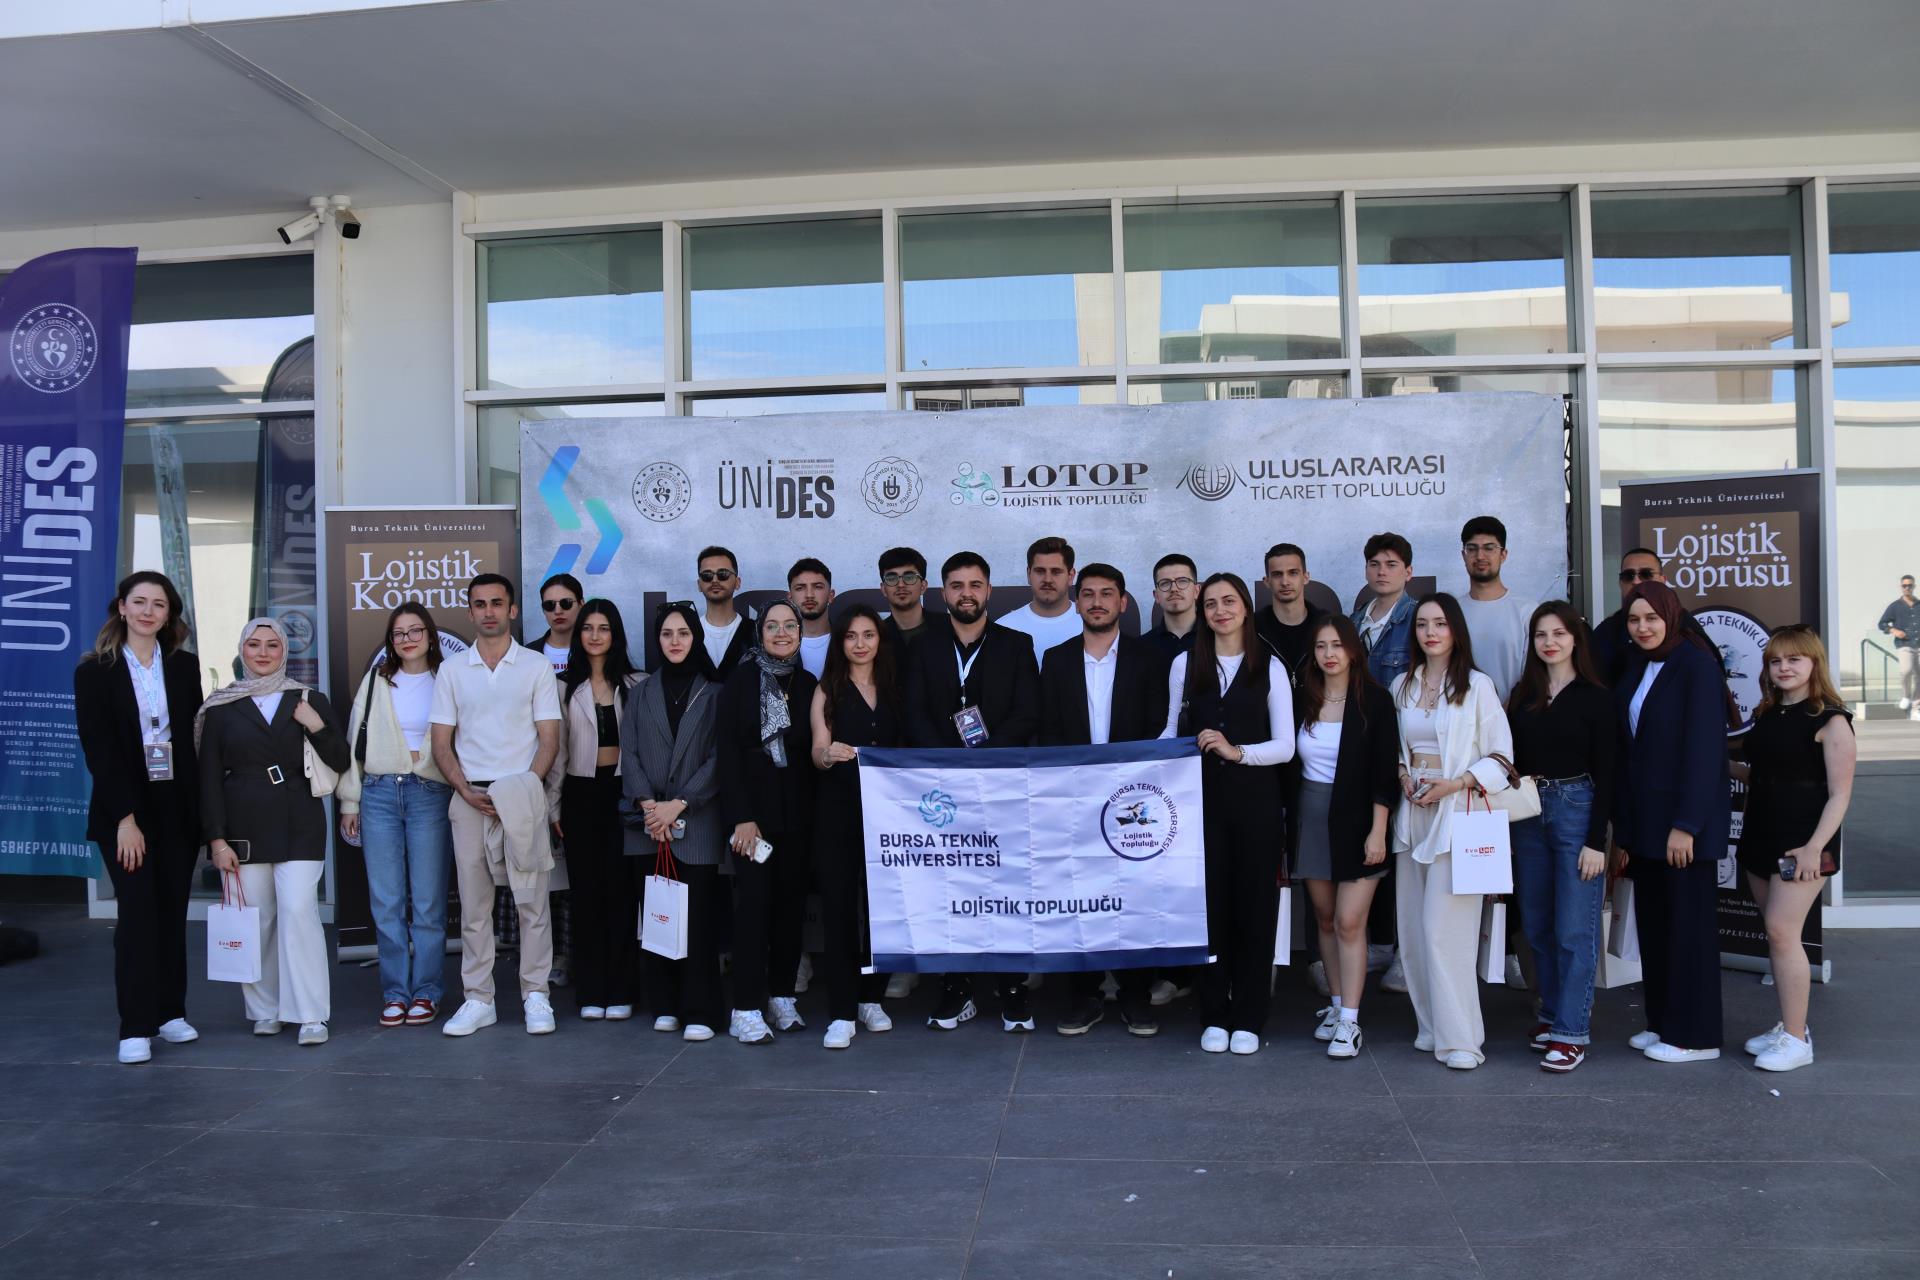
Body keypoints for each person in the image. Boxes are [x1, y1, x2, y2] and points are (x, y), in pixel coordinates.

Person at [905, 550, 1041, 1031]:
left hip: (1001, 787)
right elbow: (914, 714)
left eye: (975, 585)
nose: (966, 594)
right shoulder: (922, 648)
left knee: (1006, 885)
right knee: (951, 886)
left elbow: (1028, 712)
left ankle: (1012, 987)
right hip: (943, 790)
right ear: (943, 593)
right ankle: (956, 986)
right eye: (957, 585)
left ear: (989, 591)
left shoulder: (1016, 645)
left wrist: (985, 761)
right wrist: (949, 765)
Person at [1160, 573, 1296, 1055]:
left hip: (1256, 805)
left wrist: (1238, 752)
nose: (1220, 611)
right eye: (1212, 603)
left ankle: (1250, 1016)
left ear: (1245, 608)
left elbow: (1286, 745)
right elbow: (1169, 731)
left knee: (1255, 910)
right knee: (1210, 909)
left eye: (1230, 601)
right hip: (1201, 806)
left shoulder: (1269, 665)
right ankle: (1214, 1013)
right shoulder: (1185, 663)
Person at [197, 617, 350, 1046]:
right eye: (254, 644)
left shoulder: (308, 698)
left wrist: (316, 725)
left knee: (299, 913)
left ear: (285, 651)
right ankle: (265, 1010)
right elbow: (208, 779)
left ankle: (311, 1015)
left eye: (272, 645)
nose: (263, 653)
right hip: (243, 825)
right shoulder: (221, 707)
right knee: (258, 919)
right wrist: (216, 839)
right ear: (241, 651)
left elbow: (340, 760)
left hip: (300, 819)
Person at [74, 572, 206, 1065]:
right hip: (124, 809)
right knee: (137, 915)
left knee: (171, 911)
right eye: (140, 602)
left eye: (159, 604)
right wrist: (125, 820)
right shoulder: (95, 671)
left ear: (169, 614)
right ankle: (135, 1026)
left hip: (176, 805)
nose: (149, 611)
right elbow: (99, 750)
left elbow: (191, 741)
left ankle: (171, 1013)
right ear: (122, 608)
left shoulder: (183, 666)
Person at [429, 573, 563, 1038]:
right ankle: (478, 999)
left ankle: (536, 994)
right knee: (474, 907)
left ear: (512, 610)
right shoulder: (452, 670)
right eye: (480, 604)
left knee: (532, 903)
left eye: (497, 603)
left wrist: (524, 788)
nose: (489, 611)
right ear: (470, 611)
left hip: (521, 795)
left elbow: (550, 739)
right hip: (470, 797)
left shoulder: (535, 666)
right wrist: (465, 790)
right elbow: (441, 743)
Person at [1039, 563, 1170, 1037]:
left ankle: (1135, 995)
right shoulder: (1055, 659)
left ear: (1123, 602)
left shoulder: (1148, 659)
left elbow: (1158, 725)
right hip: (1073, 798)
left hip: (1132, 799)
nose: (1097, 602)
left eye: (1107, 594)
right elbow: (1047, 729)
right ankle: (1085, 995)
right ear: (1076, 603)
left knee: (1135, 895)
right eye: (1089, 594)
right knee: (1079, 894)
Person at [1391, 592, 1513, 1070]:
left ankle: (1462, 1039)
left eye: (1440, 623)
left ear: (1456, 630)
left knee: (1446, 932)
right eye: (1422, 624)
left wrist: (1457, 783)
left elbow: (1502, 758)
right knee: (1413, 932)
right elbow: (1398, 749)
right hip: (1414, 812)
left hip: (1458, 815)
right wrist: (1404, 775)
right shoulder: (1402, 684)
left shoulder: (1477, 685)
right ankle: (1431, 1027)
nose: (1430, 632)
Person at [1611, 580, 1731, 1064]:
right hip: (1647, 824)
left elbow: (1705, 752)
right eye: (1634, 619)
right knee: (1657, 929)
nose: (1643, 628)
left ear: (1671, 617)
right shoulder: (1638, 663)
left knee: (1688, 934)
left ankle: (1695, 1037)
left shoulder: (1696, 665)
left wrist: (1687, 825)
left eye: (1651, 618)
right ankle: (1662, 1022)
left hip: (1682, 827)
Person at [1734, 624, 1856, 1072]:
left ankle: (1797, 1038)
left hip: (1802, 844)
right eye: (1776, 661)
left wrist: (1812, 848)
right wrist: (1714, 763)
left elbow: (1840, 795)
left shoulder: (1832, 720)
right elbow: (1763, 775)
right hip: (1760, 834)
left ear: (1813, 663)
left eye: (1794, 659)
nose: (1784, 668)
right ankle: (1789, 1025)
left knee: (1783, 932)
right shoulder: (1769, 713)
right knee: (1776, 936)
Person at [1506, 601, 1615, 1072]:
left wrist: (1596, 841)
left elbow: (1609, 774)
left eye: (1558, 634)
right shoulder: (1524, 695)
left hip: (1577, 809)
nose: (1549, 642)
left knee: (1574, 928)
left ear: (1575, 639)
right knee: (1537, 924)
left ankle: (1571, 1031)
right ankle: (1552, 1015)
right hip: (1528, 811)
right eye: (1540, 635)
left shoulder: (1597, 697)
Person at [338, 602, 453, 1028]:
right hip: (378, 794)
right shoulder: (376, 681)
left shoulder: (447, 679)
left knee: (428, 902)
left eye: (415, 630)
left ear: (430, 635)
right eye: (399, 633)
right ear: (390, 640)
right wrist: (350, 801)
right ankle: (395, 993)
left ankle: (426, 991)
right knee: (386, 902)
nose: (407, 639)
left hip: (430, 794)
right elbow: (353, 744)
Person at [1291, 614, 1396, 1060]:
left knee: (1351, 922)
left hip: (1359, 819)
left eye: (1337, 645)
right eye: (1320, 646)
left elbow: (1384, 773)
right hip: (1312, 816)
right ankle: (1336, 1006)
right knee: (1325, 919)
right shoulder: (1303, 698)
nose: (1329, 654)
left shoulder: (1375, 700)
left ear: (1353, 650)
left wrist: (1378, 831)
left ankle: (1351, 1021)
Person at [622, 602, 725, 1042]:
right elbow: (629, 753)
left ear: (695, 637)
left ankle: (700, 1010)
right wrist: (650, 806)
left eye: (683, 633)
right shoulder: (641, 692)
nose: (675, 641)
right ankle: (664, 1005)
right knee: (657, 917)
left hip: (696, 823)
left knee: (698, 921)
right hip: (650, 826)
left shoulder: (715, 693)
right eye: (667, 634)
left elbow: (719, 759)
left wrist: (679, 804)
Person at [719, 602, 819, 1044]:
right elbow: (727, 753)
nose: (782, 633)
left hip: (796, 816)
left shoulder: (809, 683)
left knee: (789, 910)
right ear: (760, 632)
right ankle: (745, 1007)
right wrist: (742, 817)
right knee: (754, 910)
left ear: (800, 632)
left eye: (790, 625)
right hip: (753, 821)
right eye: (772, 626)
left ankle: (781, 996)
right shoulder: (740, 681)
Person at [545, 600, 643, 1022]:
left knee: (622, 893)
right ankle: (590, 990)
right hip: (580, 796)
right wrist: (553, 807)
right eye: (588, 628)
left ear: (615, 633)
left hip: (624, 794)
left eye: (604, 628)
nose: (595, 635)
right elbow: (556, 755)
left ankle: (621, 989)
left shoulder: (637, 683)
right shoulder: (562, 687)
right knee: (585, 895)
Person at [810, 605, 903, 1049]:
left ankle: (871, 998)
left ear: (880, 640)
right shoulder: (827, 689)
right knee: (841, 912)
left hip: (888, 816)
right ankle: (842, 1011)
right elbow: (817, 751)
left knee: (883, 911)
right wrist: (828, 755)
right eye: (851, 636)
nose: (860, 643)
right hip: (838, 814)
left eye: (868, 635)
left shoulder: (895, 688)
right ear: (840, 642)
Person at [1590, 548, 1710, 684]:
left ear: (1663, 580)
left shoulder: (1685, 628)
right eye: (1628, 576)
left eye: (1646, 574)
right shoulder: (1608, 630)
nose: (1636, 581)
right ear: (1620, 583)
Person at [1455, 517, 1533, 703]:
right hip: (1459, 716)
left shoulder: (1527, 612)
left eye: (1489, 548)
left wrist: (1505, 712)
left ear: (1503, 555)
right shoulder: (1451, 612)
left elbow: (1535, 676)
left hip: (1513, 715)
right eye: (1472, 548)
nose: (1480, 556)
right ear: (1463, 555)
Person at [1352, 533, 1417, 690]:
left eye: (1391, 565)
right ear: (1366, 570)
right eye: (1374, 564)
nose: (1381, 572)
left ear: (1408, 572)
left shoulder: (1419, 618)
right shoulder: (1354, 620)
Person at [997, 536, 1083, 656]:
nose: (1047, 579)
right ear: (1028, 574)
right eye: (1040, 571)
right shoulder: (1003, 628)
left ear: (1071, 576)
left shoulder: (1089, 625)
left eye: (1056, 572)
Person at [1255, 543, 1325, 682]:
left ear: (1306, 577)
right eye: (1277, 574)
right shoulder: (1252, 628)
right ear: (1267, 581)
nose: (1285, 582)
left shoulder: (1327, 624)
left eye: (1293, 573)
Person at [695, 546, 754, 679]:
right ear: (699, 584)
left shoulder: (756, 632)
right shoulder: (687, 634)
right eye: (707, 575)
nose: (714, 580)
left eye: (723, 574)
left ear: (737, 582)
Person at [1143, 553, 1201, 666]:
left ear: (1196, 591)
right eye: (1165, 583)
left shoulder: (1216, 639)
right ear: (1156, 596)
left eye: (1182, 581)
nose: (1174, 589)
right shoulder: (1141, 647)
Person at [1876, 574, 1920, 716]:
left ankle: (1916, 706)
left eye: (1910, 585)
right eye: (1904, 585)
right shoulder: (1895, 606)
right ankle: (1906, 696)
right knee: (1906, 671)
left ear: (1914, 586)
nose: (1907, 588)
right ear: (1901, 587)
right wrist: (1893, 630)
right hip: (1904, 644)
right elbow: (1882, 624)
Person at [788, 557, 836, 679]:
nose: (809, 595)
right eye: (800, 588)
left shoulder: (847, 640)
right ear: (790, 598)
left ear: (831, 595)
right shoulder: (776, 643)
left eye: (818, 587)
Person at [527, 573, 583, 675]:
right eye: (549, 605)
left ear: (581, 604)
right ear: (543, 609)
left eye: (566, 603)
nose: (558, 611)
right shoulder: (528, 654)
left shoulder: (596, 651)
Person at [878, 547, 932, 652]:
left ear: (923, 586)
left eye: (909, 577)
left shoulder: (948, 627)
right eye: (891, 578)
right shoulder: (876, 635)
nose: (901, 585)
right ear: (883, 589)